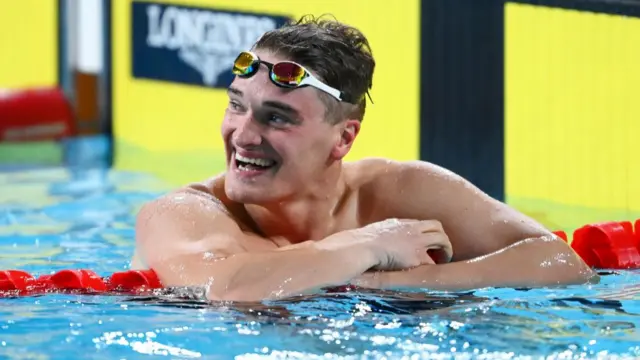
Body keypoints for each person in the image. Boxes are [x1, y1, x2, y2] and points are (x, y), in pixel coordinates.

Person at [131, 15, 597, 302]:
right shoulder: (183, 214)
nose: (243, 134)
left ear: (343, 140)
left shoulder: (400, 191)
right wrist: (367, 249)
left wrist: (393, 285)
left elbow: (561, 263)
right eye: (237, 105)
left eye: (277, 118)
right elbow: (224, 289)